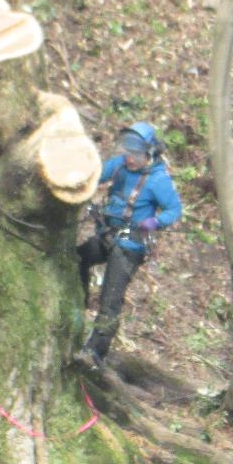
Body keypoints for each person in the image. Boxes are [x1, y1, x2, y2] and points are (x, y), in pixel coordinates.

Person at [75, 122, 182, 368]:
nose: (130, 159)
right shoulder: (120, 166)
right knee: (79, 258)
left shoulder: (158, 180)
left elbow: (174, 210)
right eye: (127, 153)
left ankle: (94, 354)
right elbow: (95, 175)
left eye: (136, 155)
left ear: (150, 154)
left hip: (130, 245)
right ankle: (76, 304)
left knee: (110, 299)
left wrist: (155, 221)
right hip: (108, 234)